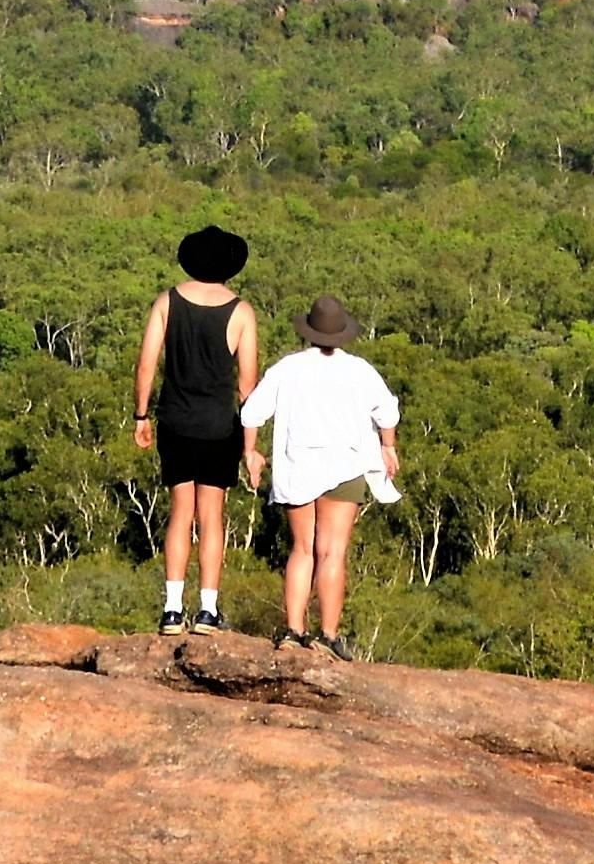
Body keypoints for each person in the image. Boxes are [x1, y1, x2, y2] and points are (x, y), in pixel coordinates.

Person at [243, 299, 402, 654]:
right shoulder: (360, 370)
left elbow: (252, 412)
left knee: (301, 549)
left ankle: (293, 631)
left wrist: (251, 452)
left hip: (298, 464)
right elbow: (387, 412)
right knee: (332, 552)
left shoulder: (288, 369)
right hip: (346, 465)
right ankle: (328, 636)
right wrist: (388, 447)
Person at [127, 228, 261, 637]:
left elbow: (146, 364)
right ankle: (207, 610)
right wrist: (250, 444)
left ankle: (171, 610)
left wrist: (141, 415)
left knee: (180, 513)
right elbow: (248, 384)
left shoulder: (167, 302)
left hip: (175, 421)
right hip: (220, 425)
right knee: (212, 516)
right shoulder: (241, 312)